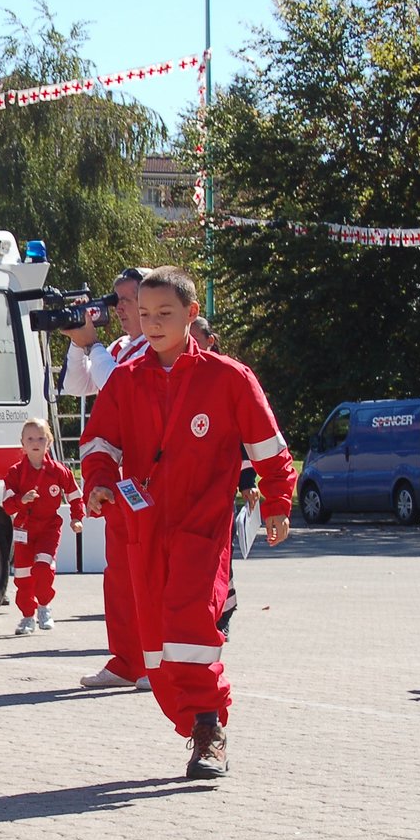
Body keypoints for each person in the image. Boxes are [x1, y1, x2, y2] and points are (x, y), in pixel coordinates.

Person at [80, 267, 296, 779]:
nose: (152, 324)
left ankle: (208, 729)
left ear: (191, 314)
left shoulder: (229, 378)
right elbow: (98, 443)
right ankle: (193, 720)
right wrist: (100, 482)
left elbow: (269, 448)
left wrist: (277, 503)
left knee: (190, 623)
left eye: (165, 314)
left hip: (203, 526)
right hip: (142, 527)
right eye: (145, 313)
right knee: (156, 645)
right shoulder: (126, 380)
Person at [59, 267, 154, 692]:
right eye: (116, 301)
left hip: (149, 476)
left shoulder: (152, 350)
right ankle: (126, 660)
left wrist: (93, 345)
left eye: (127, 300)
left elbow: (119, 388)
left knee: (149, 573)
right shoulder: (118, 345)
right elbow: (77, 385)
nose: (119, 309)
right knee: (118, 574)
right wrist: (78, 342)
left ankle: (155, 662)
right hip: (117, 477)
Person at [189, 317, 258, 639]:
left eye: (194, 337)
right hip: (184, 486)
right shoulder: (176, 377)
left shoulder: (224, 377)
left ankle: (224, 612)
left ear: (210, 339)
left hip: (218, 487)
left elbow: (242, 438)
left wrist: (248, 483)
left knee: (220, 554)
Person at [2, 417, 84, 635]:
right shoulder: (14, 473)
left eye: (40, 437)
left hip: (49, 528)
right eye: (30, 438)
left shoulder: (59, 471)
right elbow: (7, 505)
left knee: (43, 568)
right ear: (22, 443)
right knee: (22, 577)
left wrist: (77, 518)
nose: (35, 442)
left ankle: (44, 607)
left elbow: (76, 496)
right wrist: (22, 500)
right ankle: (27, 617)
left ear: (49, 441)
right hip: (24, 530)